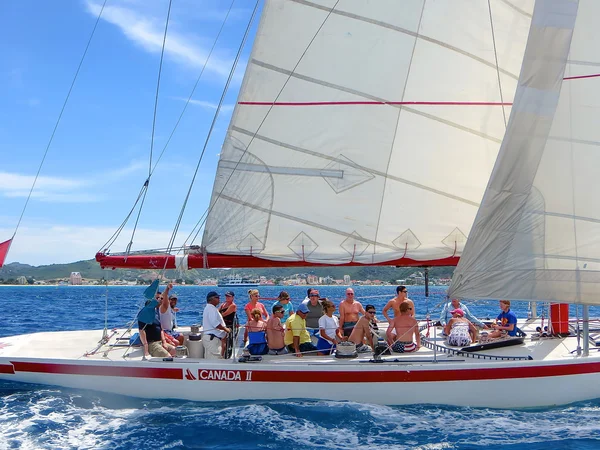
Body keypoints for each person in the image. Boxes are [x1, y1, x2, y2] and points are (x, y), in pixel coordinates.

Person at [138, 292, 176, 358]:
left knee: (175, 350)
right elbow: (141, 331)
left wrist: (164, 342)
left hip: (160, 342)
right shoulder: (144, 317)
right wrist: (146, 349)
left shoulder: (155, 314)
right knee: (168, 356)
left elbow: (161, 329)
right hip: (152, 344)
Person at [202, 291, 231, 359]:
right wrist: (226, 329)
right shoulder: (211, 308)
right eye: (217, 297)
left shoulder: (210, 308)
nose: (219, 299)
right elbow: (215, 323)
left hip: (212, 339)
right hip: (212, 339)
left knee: (210, 361)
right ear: (211, 299)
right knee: (216, 361)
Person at [219, 291, 238, 358]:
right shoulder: (223, 304)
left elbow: (224, 314)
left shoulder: (233, 305)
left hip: (229, 325)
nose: (227, 297)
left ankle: (222, 355)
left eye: (229, 296)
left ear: (232, 297)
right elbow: (218, 313)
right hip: (222, 324)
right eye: (226, 296)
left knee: (224, 339)